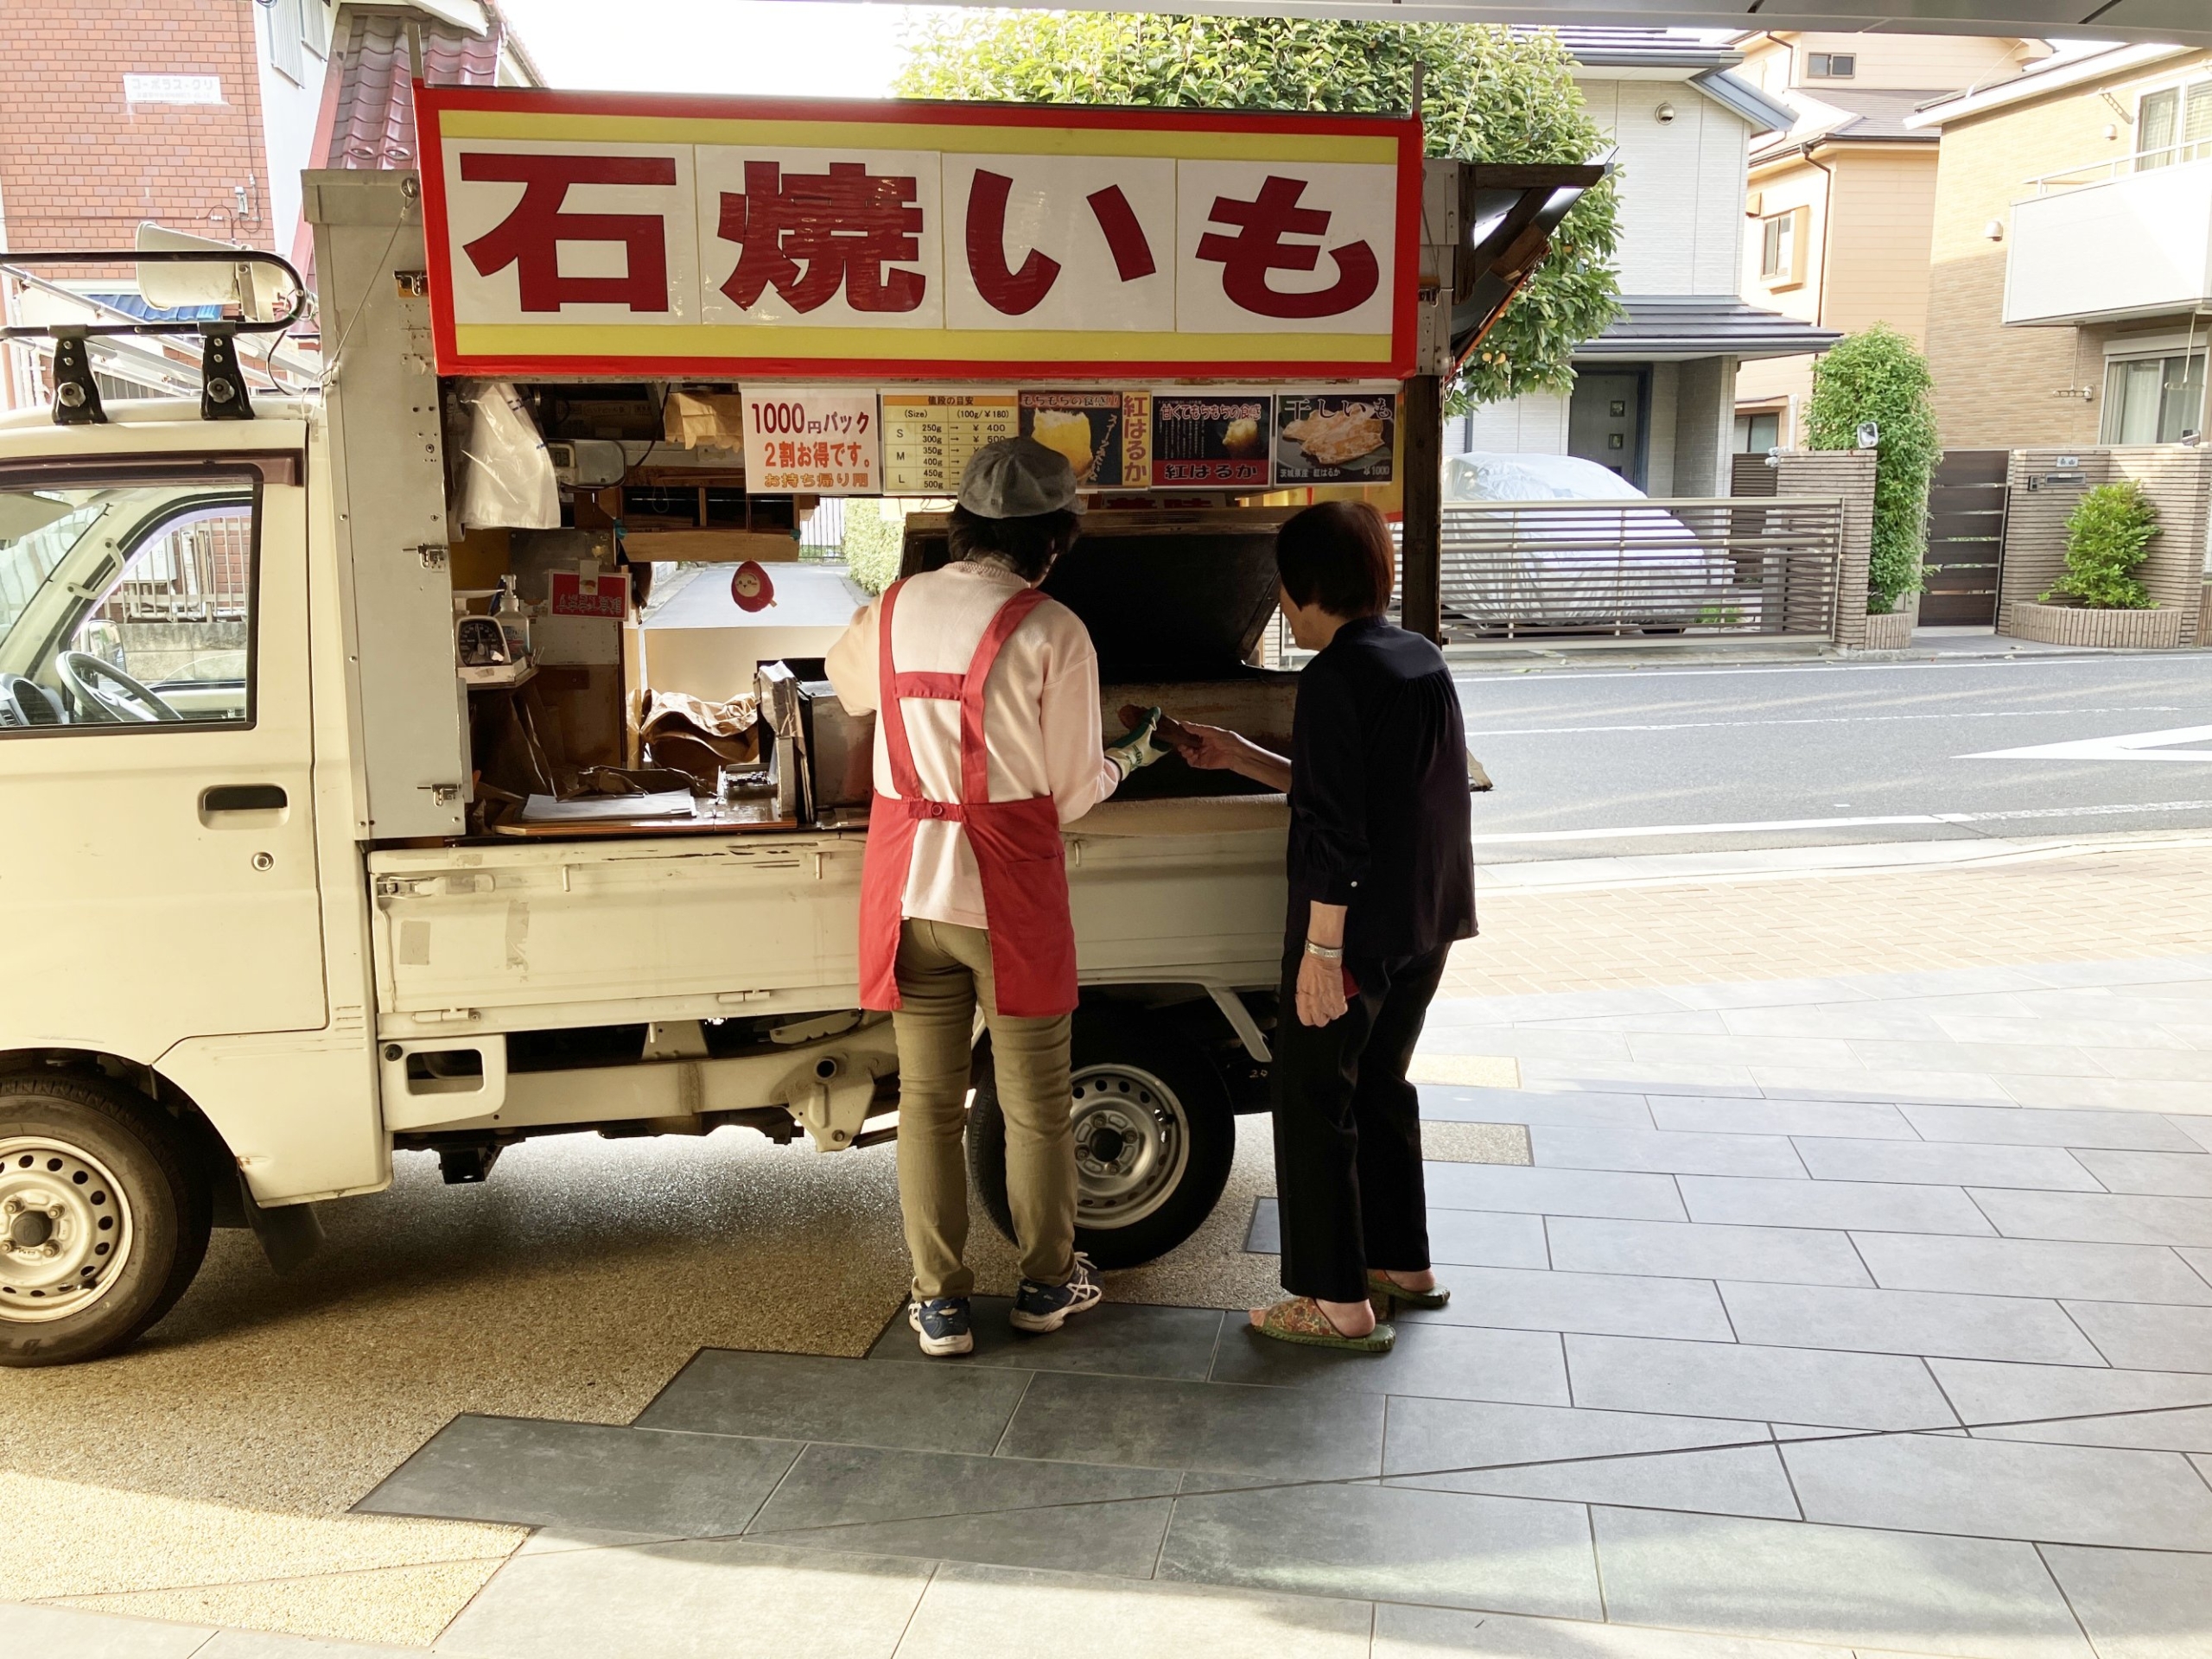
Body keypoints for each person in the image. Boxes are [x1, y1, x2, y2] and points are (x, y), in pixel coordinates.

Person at [826, 437, 1168, 1357]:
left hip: (907, 891)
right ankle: (1047, 1285)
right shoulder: (1053, 628)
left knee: (930, 1105)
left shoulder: (891, 608)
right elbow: (1065, 791)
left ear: (962, 525)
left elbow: (846, 687)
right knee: (1034, 1109)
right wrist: (1129, 759)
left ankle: (937, 1302)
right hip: (1005, 896)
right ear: (1053, 541)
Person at [1175, 500, 1476, 1353]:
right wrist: (1240, 754)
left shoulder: (1336, 676)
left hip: (1356, 929)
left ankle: (1335, 1301)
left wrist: (1320, 951)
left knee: (1309, 1100)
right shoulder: (1416, 656)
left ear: (1297, 591)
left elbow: (1338, 832)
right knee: (1379, 1085)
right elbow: (1355, 787)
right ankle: (1400, 1265)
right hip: (1430, 919)